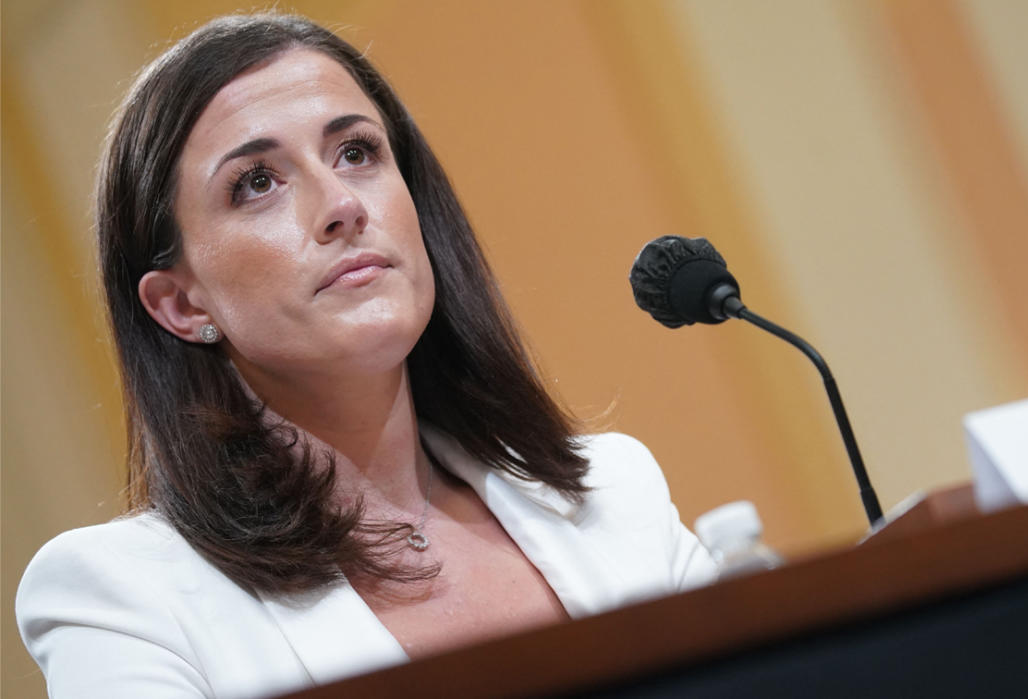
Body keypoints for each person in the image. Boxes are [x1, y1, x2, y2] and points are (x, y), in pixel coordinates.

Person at [16, 13, 716, 698]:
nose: (341, 204)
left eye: (356, 151)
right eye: (256, 181)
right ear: (182, 304)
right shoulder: (124, 602)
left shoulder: (617, 496)